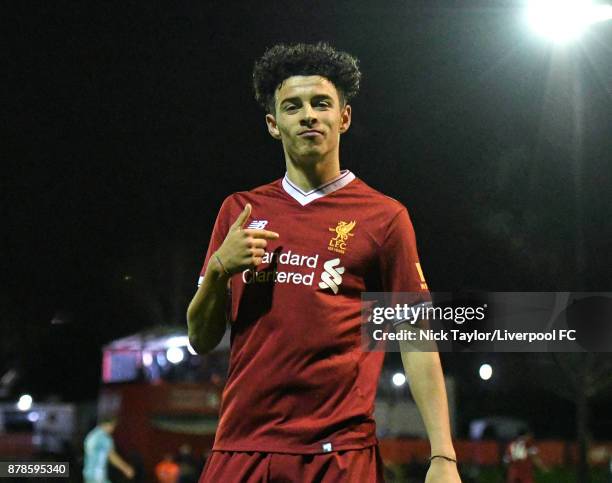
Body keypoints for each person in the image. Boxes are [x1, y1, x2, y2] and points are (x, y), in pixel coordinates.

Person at [187, 42, 460, 482]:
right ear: (274, 125)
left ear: (344, 117)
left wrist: (442, 456)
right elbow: (201, 338)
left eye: (321, 103)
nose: (308, 115)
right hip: (242, 446)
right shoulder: (240, 211)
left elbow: (414, 338)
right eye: (293, 107)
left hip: (337, 455)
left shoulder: (384, 218)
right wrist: (219, 268)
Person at [82, 417, 135, 483]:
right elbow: (112, 456)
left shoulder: (91, 435)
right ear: (109, 424)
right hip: (98, 476)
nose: (113, 429)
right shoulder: (105, 438)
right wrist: (126, 468)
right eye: (113, 426)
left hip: (88, 475)